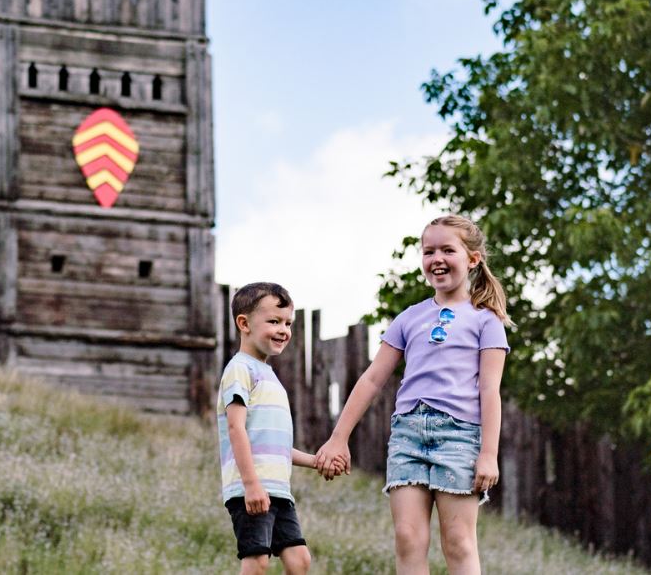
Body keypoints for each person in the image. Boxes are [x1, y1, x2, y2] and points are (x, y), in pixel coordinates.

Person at [315, 215, 511, 575]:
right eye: (428, 251)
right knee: (407, 537)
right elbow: (373, 379)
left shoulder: (486, 321)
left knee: (458, 541)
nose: (436, 258)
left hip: (460, 438)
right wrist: (338, 438)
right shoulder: (409, 318)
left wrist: (488, 455)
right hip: (408, 435)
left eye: (447, 250)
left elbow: (490, 390)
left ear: (472, 259)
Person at [219, 282, 326, 575]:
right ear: (244, 323)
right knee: (257, 560)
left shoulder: (270, 376)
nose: (284, 330)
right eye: (274, 321)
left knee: (299, 559)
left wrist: (315, 462)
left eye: (288, 323)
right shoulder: (240, 369)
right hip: (250, 488)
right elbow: (235, 428)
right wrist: (252, 484)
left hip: (278, 489)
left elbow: (274, 446)